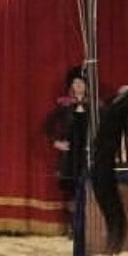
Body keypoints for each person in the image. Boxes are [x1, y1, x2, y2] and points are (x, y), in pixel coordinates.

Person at [44, 68, 91, 235]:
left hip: (88, 154)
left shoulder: (94, 105)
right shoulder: (64, 105)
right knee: (72, 191)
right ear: (71, 86)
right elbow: (47, 126)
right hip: (71, 155)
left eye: (81, 83)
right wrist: (56, 142)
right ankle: (74, 226)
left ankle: (87, 226)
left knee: (88, 190)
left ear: (86, 86)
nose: (79, 86)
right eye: (75, 83)